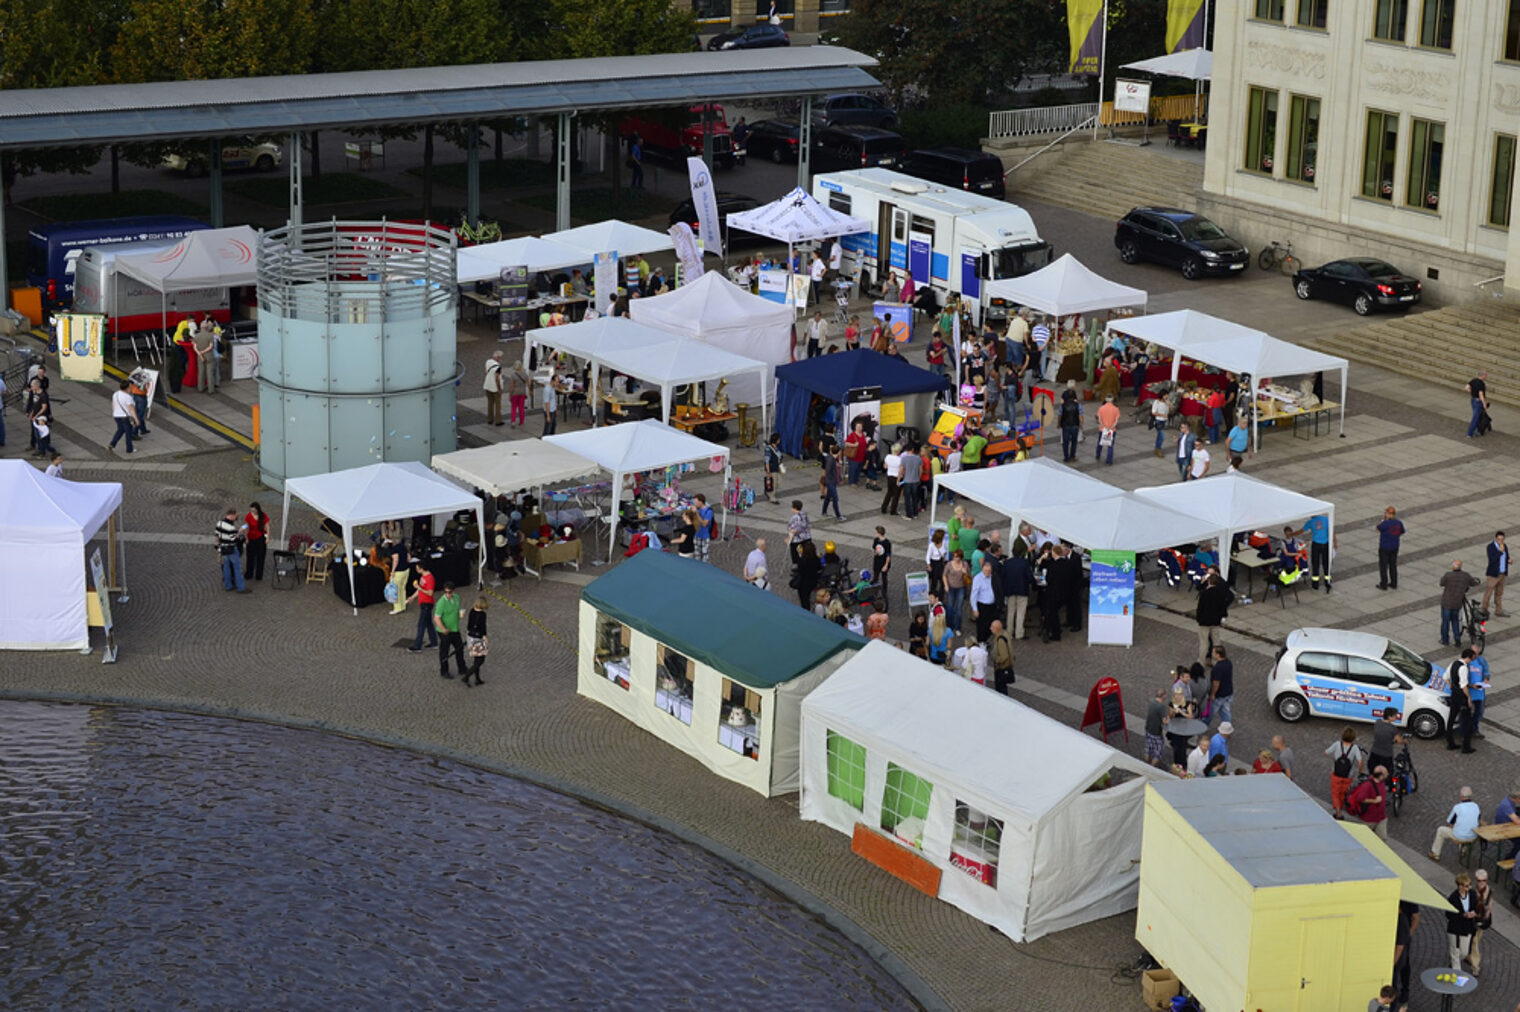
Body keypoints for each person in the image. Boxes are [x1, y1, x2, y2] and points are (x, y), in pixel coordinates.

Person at [1428, 785, 1480, 862]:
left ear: (1461, 796)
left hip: (1460, 836)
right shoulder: (1476, 806)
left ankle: (1436, 854)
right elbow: (1477, 820)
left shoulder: (1457, 807)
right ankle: (1463, 850)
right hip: (1473, 836)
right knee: (1466, 828)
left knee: (1441, 830)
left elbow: (1451, 824)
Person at [1326, 726, 1365, 819]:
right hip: (1348, 775)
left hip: (1336, 773)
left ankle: (1338, 812)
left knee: (1335, 792)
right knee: (1343, 792)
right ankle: (1341, 804)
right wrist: (1360, 771)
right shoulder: (1355, 748)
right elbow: (1360, 761)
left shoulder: (1337, 744)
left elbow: (1326, 752)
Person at [1291, 513, 1337, 592]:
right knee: (1326, 563)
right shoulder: (1325, 519)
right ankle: (1327, 582)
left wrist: (1291, 534)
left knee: (1315, 564)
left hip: (1316, 545)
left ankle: (1315, 584)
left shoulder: (1310, 522)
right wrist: (1335, 543)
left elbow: (1301, 531)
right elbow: (1332, 532)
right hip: (1326, 544)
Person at [1439, 558, 1480, 645]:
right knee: (1455, 621)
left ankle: (1445, 640)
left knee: (1445, 622)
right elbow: (1473, 583)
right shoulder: (1465, 576)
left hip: (1447, 602)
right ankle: (1457, 638)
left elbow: (1442, 583)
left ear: (1453, 566)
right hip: (1457, 602)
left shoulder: (1448, 575)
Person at [1195, 571, 1232, 664]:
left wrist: (1198, 619)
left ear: (1209, 582)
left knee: (1204, 643)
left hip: (1204, 621)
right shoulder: (1220, 594)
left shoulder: (1204, 593)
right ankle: (1215, 661)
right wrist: (1222, 617)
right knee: (1216, 642)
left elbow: (1200, 608)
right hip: (1215, 621)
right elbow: (1223, 606)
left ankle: (1201, 662)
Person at [433, 582, 468, 680]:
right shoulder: (441, 603)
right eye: (446, 592)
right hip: (444, 631)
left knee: (459, 649)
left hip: (454, 629)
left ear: (453, 591)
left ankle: (462, 668)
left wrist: (460, 615)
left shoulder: (456, 598)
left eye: (450, 592)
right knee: (444, 652)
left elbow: (457, 611)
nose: (448, 594)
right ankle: (444, 671)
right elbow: (436, 618)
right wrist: (443, 629)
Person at [1347, 765, 1391, 840]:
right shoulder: (1367, 785)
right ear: (1380, 776)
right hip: (1369, 819)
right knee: (1364, 839)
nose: (1387, 775)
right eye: (1386, 774)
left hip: (1381, 817)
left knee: (1383, 838)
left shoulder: (1382, 781)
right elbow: (1360, 799)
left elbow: (1393, 781)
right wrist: (1374, 801)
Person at [1445, 872, 1479, 970]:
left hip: (1467, 928)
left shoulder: (1472, 894)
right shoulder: (1453, 898)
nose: (1468, 888)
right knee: (1455, 951)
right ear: (1460, 886)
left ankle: (1453, 961)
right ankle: (1456, 972)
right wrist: (1463, 915)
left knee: (1464, 952)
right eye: (1466, 886)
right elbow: (1449, 914)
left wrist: (1474, 913)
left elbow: (1477, 906)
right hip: (1455, 928)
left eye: (1469, 885)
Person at [1447, 647, 1477, 753]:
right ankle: (1466, 747)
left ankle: (1450, 743)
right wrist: (1468, 697)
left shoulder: (1453, 664)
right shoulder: (1463, 668)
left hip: (1454, 695)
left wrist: (1452, 687)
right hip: (1461, 697)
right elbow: (1463, 686)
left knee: (1451, 719)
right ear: (1469, 658)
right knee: (1467, 722)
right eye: (1472, 658)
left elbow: (1446, 677)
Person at [1000, 542, 1032, 640]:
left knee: (1010, 612)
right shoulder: (1024, 563)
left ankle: (1009, 632)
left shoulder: (1007, 562)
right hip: (1022, 589)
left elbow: (1003, 576)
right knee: (1020, 613)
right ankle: (1019, 633)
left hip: (1010, 590)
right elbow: (1029, 577)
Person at [407, 560, 439, 652]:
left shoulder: (429, 578)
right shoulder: (424, 577)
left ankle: (418, 645)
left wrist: (419, 588)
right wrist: (412, 597)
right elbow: (420, 590)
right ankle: (434, 642)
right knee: (428, 624)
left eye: (418, 568)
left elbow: (430, 592)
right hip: (424, 603)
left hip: (427, 603)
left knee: (421, 625)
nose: (416, 570)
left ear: (422, 569)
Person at [214, 508, 249, 593]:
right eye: (236, 516)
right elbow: (234, 539)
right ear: (232, 515)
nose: (236, 517)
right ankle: (241, 587)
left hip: (223, 549)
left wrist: (218, 547)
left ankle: (228, 585)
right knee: (237, 568)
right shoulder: (231, 528)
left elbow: (217, 536)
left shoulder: (219, 523)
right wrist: (240, 531)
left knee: (226, 568)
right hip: (232, 549)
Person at [1367, 706, 1405, 778]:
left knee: (1372, 769)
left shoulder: (1378, 722)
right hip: (1386, 754)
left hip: (1374, 751)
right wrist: (1405, 741)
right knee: (1388, 771)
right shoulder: (1393, 728)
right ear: (1389, 717)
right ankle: (1388, 785)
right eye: (1395, 716)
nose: (1396, 717)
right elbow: (1399, 741)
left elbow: (1382, 734)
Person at [1469, 869, 1494, 975]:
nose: (1481, 883)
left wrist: (1486, 916)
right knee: (1474, 942)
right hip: (1473, 920)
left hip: (1482, 921)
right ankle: (1475, 966)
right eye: (1479, 880)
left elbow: (1489, 906)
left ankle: (1468, 955)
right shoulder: (1472, 891)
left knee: (1476, 940)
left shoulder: (1489, 891)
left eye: (1483, 880)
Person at [1376, 506, 1405, 590]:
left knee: (1383, 566)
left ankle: (1384, 584)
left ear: (1388, 514)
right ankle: (1394, 583)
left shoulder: (1385, 524)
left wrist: (1383, 520)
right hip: (1395, 547)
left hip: (1385, 547)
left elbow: (1377, 529)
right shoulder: (1399, 523)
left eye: (1386, 513)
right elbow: (1402, 531)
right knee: (1393, 565)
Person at [970, 559, 998, 643]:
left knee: (990, 625)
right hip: (982, 605)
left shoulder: (993, 577)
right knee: (981, 626)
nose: (988, 572)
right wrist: (975, 609)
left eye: (989, 570)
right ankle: (981, 642)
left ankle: (985, 640)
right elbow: (974, 594)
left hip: (992, 605)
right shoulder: (978, 579)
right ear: (982, 569)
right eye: (986, 570)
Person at [463, 596, 488, 687]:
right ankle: (467, 676)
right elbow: (483, 627)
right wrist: (485, 637)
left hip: (470, 637)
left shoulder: (471, 611)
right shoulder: (482, 614)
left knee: (476, 659)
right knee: (480, 660)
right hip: (478, 638)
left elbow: (469, 625)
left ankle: (477, 679)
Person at [108, 379, 139, 455]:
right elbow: (131, 409)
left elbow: (113, 404)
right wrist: (136, 419)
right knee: (128, 433)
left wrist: (115, 412)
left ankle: (112, 443)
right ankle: (129, 449)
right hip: (125, 417)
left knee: (120, 430)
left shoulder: (115, 394)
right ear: (127, 388)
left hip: (116, 416)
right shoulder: (128, 397)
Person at [943, 549, 970, 633]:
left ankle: (958, 627)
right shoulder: (949, 565)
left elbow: (969, 577)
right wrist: (946, 585)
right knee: (950, 608)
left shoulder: (965, 565)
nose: (955, 558)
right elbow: (944, 575)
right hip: (951, 588)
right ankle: (949, 626)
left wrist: (965, 573)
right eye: (954, 556)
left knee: (959, 609)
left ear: (960, 558)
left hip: (960, 588)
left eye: (957, 557)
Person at [1484, 530, 1510, 617]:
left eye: (1502, 539)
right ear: (1495, 539)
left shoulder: (1504, 546)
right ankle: (1484, 610)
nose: (1500, 541)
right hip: (1493, 575)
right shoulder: (1490, 547)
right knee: (1488, 593)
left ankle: (1498, 610)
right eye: (1499, 539)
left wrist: (1508, 560)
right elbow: (1492, 560)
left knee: (1499, 593)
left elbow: (1506, 556)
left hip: (1502, 574)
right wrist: (1500, 552)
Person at [243, 501, 269, 582]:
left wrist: (268, 537)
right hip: (251, 538)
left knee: (260, 557)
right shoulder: (248, 516)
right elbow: (246, 527)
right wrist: (246, 537)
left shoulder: (263, 516)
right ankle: (249, 573)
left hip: (260, 538)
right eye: (251, 510)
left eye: (254, 511)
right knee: (250, 556)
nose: (252, 512)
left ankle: (259, 575)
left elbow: (267, 527)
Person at [987, 620, 1015, 694]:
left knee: (1001, 688)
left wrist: (996, 660)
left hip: (1001, 668)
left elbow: (1004, 656)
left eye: (992, 627)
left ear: (996, 629)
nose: (990, 628)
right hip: (1004, 666)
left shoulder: (1000, 640)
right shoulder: (1005, 634)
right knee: (1002, 687)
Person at [1469, 641, 1490, 738]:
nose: (1475, 655)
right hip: (1469, 691)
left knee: (1479, 711)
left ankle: (1474, 729)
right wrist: (1470, 685)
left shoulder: (1481, 660)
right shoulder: (1467, 662)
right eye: (1473, 653)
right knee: (1466, 713)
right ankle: (1466, 730)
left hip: (1479, 691)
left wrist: (1486, 678)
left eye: (1476, 653)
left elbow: (1486, 670)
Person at [1144, 689, 1169, 767]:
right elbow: (1165, 721)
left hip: (1148, 729)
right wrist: (1168, 717)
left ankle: (1146, 765)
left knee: (1148, 748)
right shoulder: (1161, 706)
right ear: (1163, 696)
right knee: (1158, 752)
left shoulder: (1152, 701)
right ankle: (1151, 768)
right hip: (1156, 732)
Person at [793, 539, 821, 610]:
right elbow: (819, 567)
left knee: (804, 599)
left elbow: (800, 570)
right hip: (813, 581)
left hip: (804, 583)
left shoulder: (802, 560)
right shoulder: (816, 559)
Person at [898, 442, 923, 519]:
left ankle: (909, 514)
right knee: (915, 498)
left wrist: (898, 480)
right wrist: (919, 478)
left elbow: (901, 470)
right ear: (912, 449)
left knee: (907, 499)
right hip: (915, 481)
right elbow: (921, 470)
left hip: (907, 481)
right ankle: (915, 513)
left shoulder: (904, 459)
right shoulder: (918, 458)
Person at [1058, 383, 1081, 462]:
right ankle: (1072, 456)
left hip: (1066, 425)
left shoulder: (1063, 405)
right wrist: (1081, 424)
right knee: (1074, 442)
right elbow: (1080, 415)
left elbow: (1060, 415)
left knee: (1065, 442)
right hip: (1075, 425)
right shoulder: (1078, 405)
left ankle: (1066, 457)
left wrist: (1059, 423)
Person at [820, 445, 844, 520]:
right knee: (835, 499)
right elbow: (829, 471)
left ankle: (824, 512)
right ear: (838, 452)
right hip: (831, 482)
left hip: (831, 481)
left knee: (828, 497)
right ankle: (838, 516)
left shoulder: (831, 458)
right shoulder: (831, 460)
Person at [785, 499, 812, 565]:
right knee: (806, 554)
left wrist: (788, 538)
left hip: (797, 540)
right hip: (807, 537)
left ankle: (798, 567)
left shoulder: (795, 518)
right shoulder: (804, 514)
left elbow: (794, 530)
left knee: (796, 556)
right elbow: (809, 526)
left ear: (794, 508)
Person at [482, 350, 505, 426]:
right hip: (495, 388)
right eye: (501, 357)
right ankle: (498, 420)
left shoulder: (488, 362)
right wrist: (499, 389)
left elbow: (486, 371)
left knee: (490, 403)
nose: (501, 359)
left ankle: (490, 419)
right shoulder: (498, 367)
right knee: (498, 405)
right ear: (498, 358)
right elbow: (497, 378)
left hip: (487, 385)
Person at [1095, 393, 1119, 465]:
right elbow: (1116, 421)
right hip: (1112, 430)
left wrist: (1104, 427)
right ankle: (1109, 460)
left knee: (1100, 443)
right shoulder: (1116, 409)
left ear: (1106, 399)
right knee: (1110, 445)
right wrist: (1111, 427)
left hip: (1103, 429)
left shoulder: (1101, 408)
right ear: (1112, 400)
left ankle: (1098, 455)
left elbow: (1099, 420)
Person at [880, 443, 902, 515]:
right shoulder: (900, 459)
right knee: (896, 495)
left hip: (889, 476)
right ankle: (893, 510)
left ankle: (884, 507)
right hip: (896, 477)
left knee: (889, 492)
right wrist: (898, 480)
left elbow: (885, 467)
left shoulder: (888, 456)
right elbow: (901, 471)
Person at [871, 526, 892, 605]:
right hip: (877, 561)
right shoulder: (876, 540)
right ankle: (874, 592)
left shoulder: (887, 543)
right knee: (875, 577)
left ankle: (884, 591)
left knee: (884, 577)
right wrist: (875, 552)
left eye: (876, 532)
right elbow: (874, 549)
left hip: (883, 562)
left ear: (879, 533)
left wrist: (886, 565)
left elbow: (888, 555)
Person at [1465, 370, 1489, 438]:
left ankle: (1479, 429)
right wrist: (1484, 403)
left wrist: (1472, 392)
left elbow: (1466, 387)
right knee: (1476, 417)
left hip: (1473, 400)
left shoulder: (1473, 380)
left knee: (1478, 415)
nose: (1486, 377)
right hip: (1478, 401)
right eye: (1485, 375)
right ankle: (1470, 433)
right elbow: (1481, 394)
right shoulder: (1481, 384)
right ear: (1483, 376)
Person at [764, 433, 783, 504]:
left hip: (777, 468)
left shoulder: (776, 448)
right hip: (772, 469)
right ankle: (772, 497)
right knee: (773, 483)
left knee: (779, 482)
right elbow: (767, 461)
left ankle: (768, 492)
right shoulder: (769, 449)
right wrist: (768, 471)